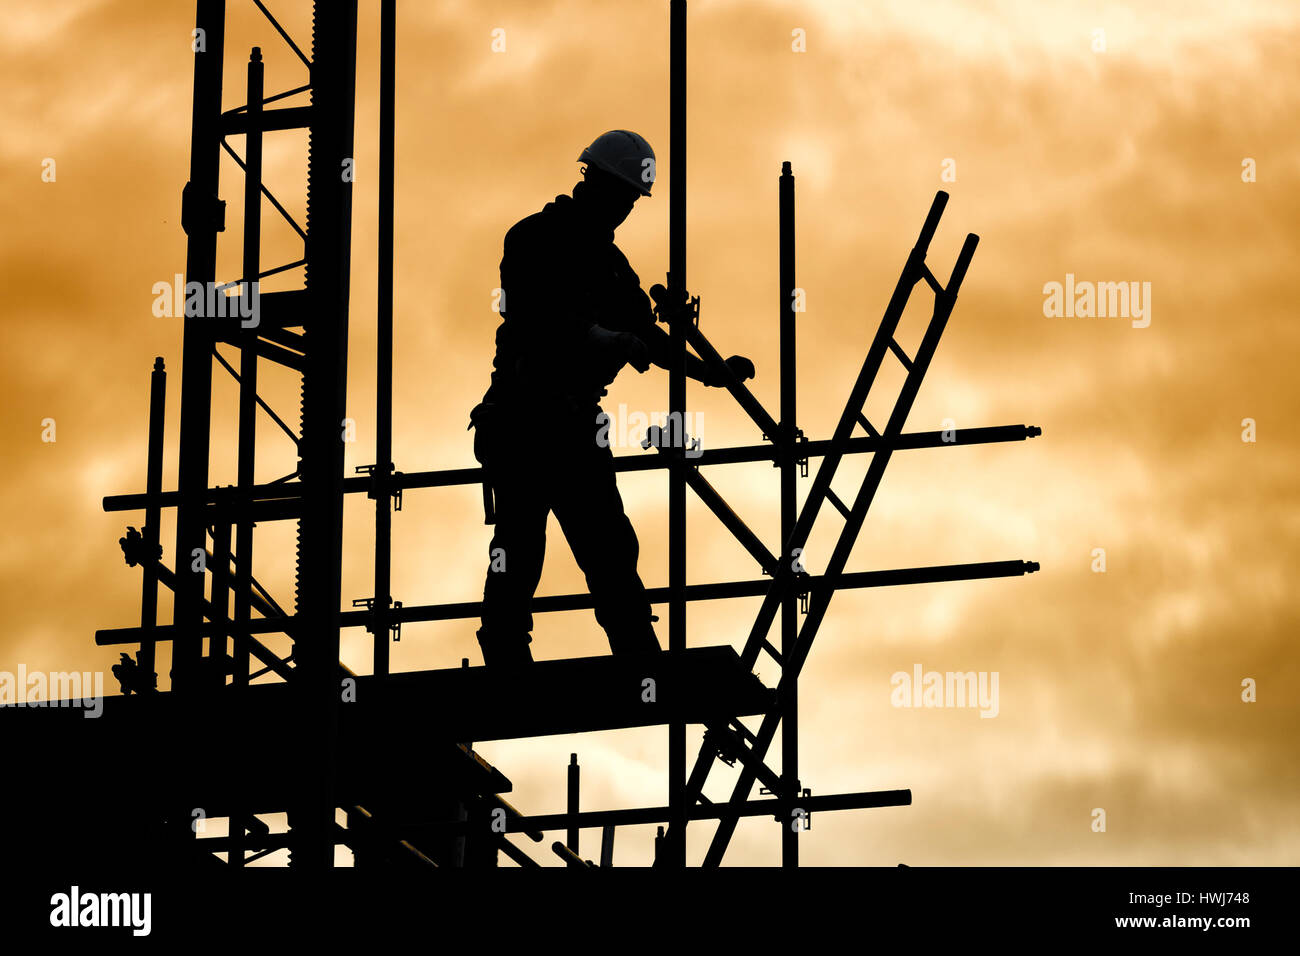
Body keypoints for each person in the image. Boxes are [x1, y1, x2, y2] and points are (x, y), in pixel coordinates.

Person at [469, 129, 755, 668]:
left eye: (630, 201)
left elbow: (647, 337)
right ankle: (505, 657)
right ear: (593, 182)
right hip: (522, 417)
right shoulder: (534, 237)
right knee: (520, 546)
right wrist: (596, 337)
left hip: (575, 424)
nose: (624, 210)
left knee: (609, 547)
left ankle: (636, 657)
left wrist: (709, 373)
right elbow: (529, 311)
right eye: (620, 195)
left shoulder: (613, 266)